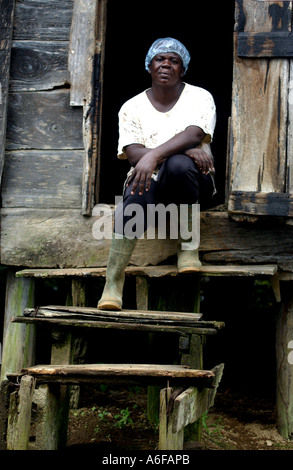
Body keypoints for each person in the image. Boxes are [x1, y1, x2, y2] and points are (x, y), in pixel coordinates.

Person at [98, 37, 216, 311]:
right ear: (149, 67)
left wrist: (156, 154)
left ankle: (188, 246)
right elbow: (133, 152)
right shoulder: (131, 107)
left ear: (182, 69)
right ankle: (113, 283)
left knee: (178, 166)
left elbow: (195, 133)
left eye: (173, 60)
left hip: (191, 181)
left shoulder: (200, 97)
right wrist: (182, 150)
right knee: (135, 196)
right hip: (149, 182)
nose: (166, 64)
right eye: (159, 60)